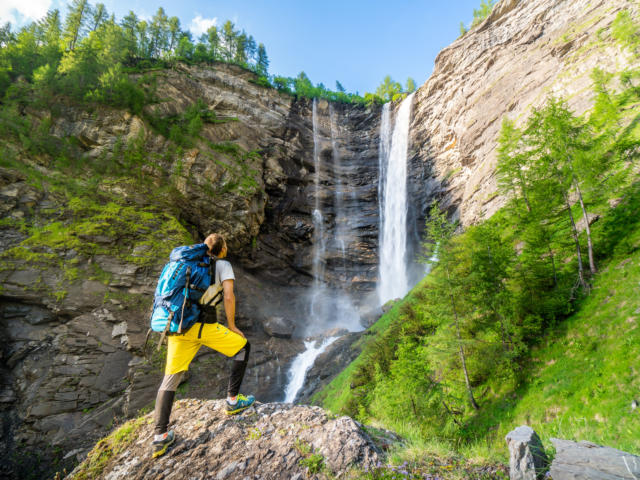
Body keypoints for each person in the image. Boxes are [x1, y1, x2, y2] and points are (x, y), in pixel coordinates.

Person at [151, 233, 255, 458]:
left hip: (178, 328)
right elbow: (228, 296)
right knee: (242, 347)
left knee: (170, 379)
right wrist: (232, 325)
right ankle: (233, 401)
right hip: (203, 326)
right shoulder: (222, 265)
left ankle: (160, 437)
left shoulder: (182, 262)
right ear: (222, 248)